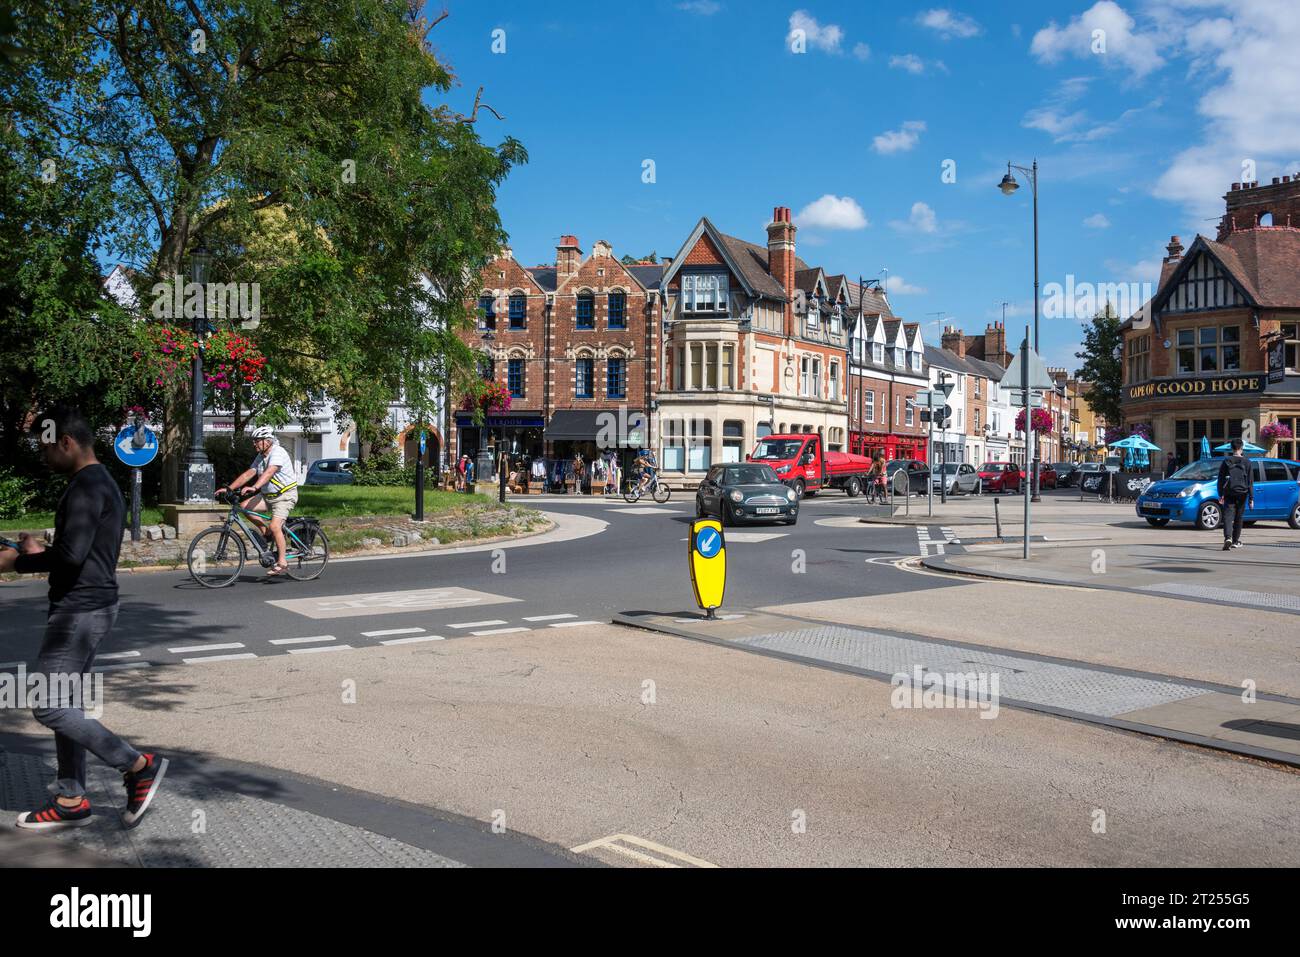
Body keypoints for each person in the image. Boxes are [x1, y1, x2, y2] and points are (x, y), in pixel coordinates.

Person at [0, 406, 168, 831]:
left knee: (49, 706)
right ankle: (71, 798)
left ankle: (136, 764)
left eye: (45, 449)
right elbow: (82, 551)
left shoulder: (86, 486)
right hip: (89, 605)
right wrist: (33, 552)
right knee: (68, 703)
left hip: (79, 611)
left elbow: (72, 556)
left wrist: (13, 564)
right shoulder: (97, 481)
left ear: (66, 442)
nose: (43, 458)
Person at [215, 425, 299, 576]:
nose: (254, 444)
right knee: (244, 506)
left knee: (275, 526)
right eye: (254, 441)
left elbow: (269, 472)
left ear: (267, 441)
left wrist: (254, 488)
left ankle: (282, 562)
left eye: (257, 441)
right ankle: (265, 532)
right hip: (269, 496)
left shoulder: (277, 452)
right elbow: (249, 473)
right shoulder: (261, 456)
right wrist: (229, 489)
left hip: (284, 496)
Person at [1217, 437, 1254, 551]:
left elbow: (1221, 479)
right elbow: (1250, 482)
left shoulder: (1226, 461)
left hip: (1229, 491)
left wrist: (1220, 494)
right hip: (1242, 492)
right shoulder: (1247, 462)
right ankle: (1235, 541)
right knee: (1239, 517)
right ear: (1241, 448)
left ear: (1231, 448)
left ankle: (1227, 538)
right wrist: (1251, 499)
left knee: (1228, 516)